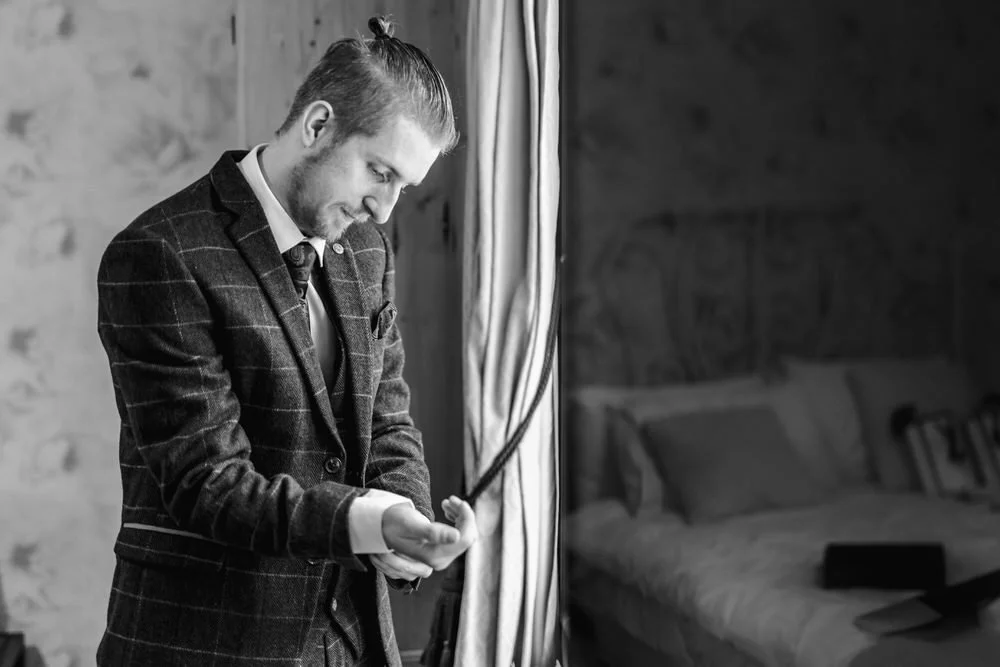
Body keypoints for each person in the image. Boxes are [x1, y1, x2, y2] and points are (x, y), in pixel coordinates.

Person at [95, 16, 477, 667]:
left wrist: (410, 527)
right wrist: (364, 519)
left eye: (403, 189)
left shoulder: (366, 253)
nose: (384, 209)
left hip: (352, 640)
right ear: (318, 124)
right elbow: (207, 482)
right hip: (207, 644)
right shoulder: (162, 254)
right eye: (378, 172)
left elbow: (386, 418)